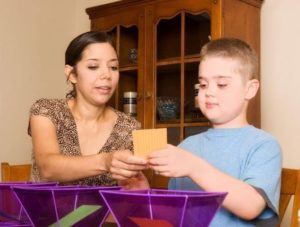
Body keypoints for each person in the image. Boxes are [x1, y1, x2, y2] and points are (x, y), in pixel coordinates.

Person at [148, 38, 282, 226]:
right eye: (203, 84)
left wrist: (194, 167)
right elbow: (172, 215)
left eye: (221, 84)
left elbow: (250, 206)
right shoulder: (187, 147)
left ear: (250, 89)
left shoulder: (264, 145)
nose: (208, 92)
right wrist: (139, 192)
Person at [28, 31, 148, 188]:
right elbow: (47, 168)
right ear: (72, 74)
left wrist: (136, 186)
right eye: (93, 66)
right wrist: (106, 161)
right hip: (42, 212)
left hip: (104, 213)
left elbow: (130, 189)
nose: (106, 75)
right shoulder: (47, 110)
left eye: (113, 67)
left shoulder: (129, 127)